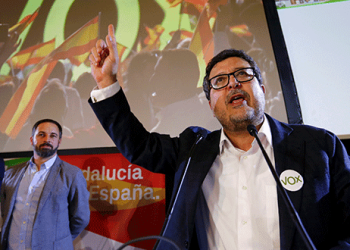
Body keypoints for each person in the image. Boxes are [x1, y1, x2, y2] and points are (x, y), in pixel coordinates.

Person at [88, 25, 350, 249]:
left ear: (262, 88)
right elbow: (139, 146)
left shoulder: (321, 146)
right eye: (220, 81)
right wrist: (107, 82)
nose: (233, 84)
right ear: (211, 105)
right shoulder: (193, 150)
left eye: (243, 75)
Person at [0, 119, 90, 250]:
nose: (47, 139)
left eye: (53, 136)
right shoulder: (11, 173)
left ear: (59, 142)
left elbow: (80, 218)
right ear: (32, 140)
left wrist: (59, 239)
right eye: (41, 134)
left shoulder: (72, 174)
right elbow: (5, 211)